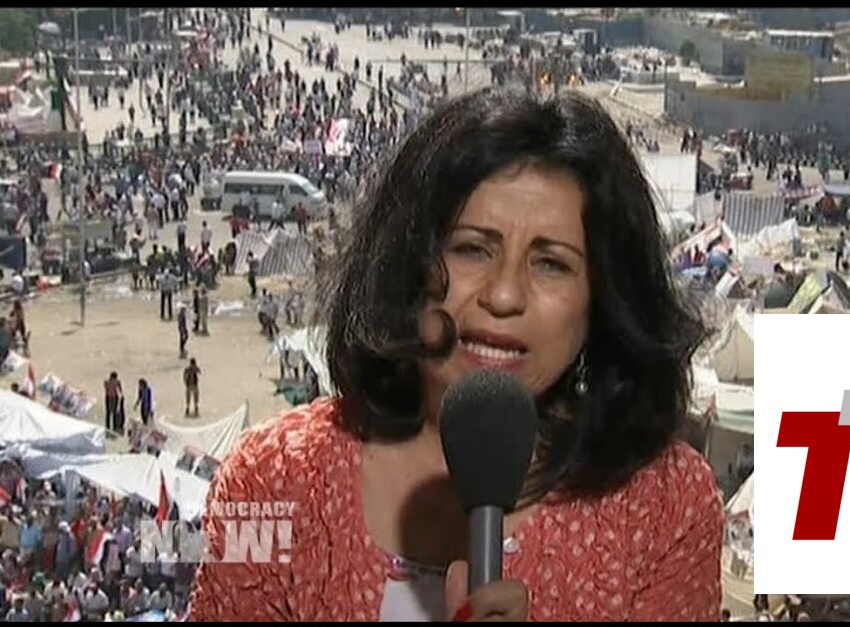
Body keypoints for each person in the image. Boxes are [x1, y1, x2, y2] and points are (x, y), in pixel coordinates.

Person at [189, 87, 719, 621]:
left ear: (601, 301)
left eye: (551, 264)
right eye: (471, 249)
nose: (504, 295)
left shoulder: (665, 508)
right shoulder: (269, 481)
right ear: (408, 265)